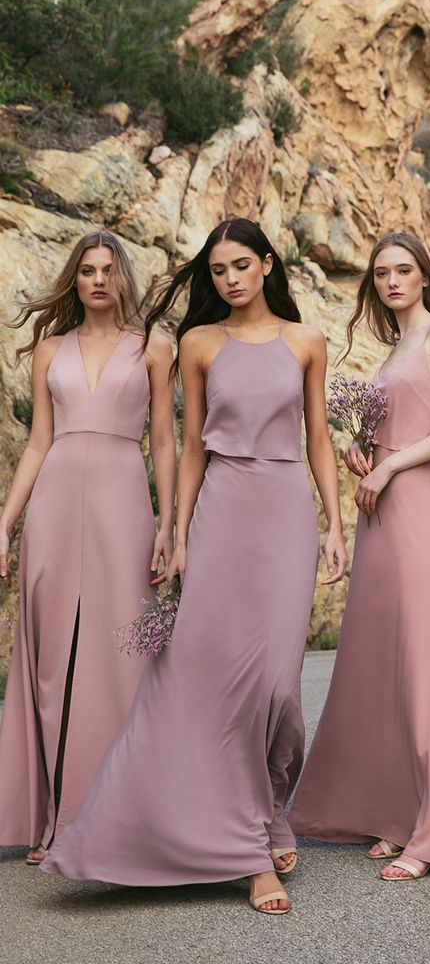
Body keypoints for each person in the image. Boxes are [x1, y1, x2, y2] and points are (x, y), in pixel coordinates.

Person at [42, 219, 347, 914]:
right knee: (213, 687)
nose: (229, 279)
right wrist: (176, 532)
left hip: (285, 514)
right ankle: (251, 847)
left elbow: (319, 438)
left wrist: (335, 523)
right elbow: (192, 448)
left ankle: (272, 802)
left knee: (277, 687)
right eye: (217, 271)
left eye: (241, 266)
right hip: (221, 514)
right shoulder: (197, 344)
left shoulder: (306, 342)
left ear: (267, 265)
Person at [290, 231, 430, 882]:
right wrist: (363, 451)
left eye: (404, 270)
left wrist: (394, 462)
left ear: (425, 275)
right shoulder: (396, 346)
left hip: (415, 505)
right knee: (386, 659)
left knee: (427, 654)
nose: (392, 281)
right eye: (381, 274)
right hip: (379, 508)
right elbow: (394, 424)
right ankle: (400, 811)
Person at [0, 230, 174, 863]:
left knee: (121, 655)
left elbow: (162, 442)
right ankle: (53, 820)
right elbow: (40, 442)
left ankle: (117, 812)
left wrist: (169, 521)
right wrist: (5, 521)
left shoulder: (155, 347)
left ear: (123, 277)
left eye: (107, 270)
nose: (97, 280)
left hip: (123, 504)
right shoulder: (48, 351)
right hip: (53, 505)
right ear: (74, 281)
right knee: (54, 663)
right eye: (86, 271)